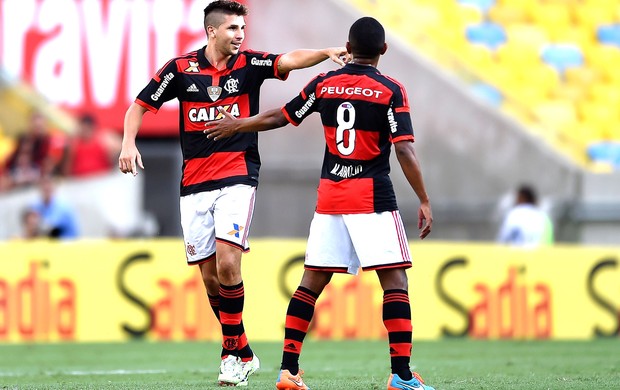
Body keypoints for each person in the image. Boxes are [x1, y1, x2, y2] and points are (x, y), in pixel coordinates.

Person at [117, 0, 348, 386]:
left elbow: (289, 60)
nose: (240, 35)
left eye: (242, 28)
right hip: (193, 183)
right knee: (209, 278)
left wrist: (324, 53)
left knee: (228, 264)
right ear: (212, 31)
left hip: (238, 175)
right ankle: (240, 347)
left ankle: (229, 355)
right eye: (232, 29)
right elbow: (139, 106)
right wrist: (128, 143)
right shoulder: (180, 70)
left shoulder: (249, 65)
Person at [205, 16, 435, 390]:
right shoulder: (391, 89)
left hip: (330, 197)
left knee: (309, 285)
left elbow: (282, 116)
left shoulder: (324, 83)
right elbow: (405, 148)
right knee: (395, 281)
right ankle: (402, 375)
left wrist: (238, 124)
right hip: (372, 196)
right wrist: (423, 199)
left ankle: (288, 371)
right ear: (383, 50)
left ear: (347, 46)